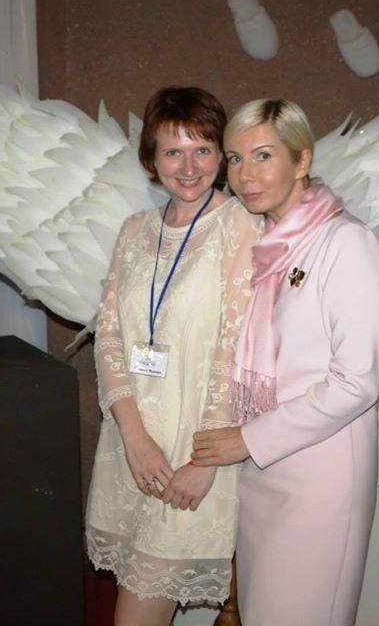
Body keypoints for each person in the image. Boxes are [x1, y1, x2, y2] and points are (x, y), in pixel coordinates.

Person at [191, 99, 379, 626]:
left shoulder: (347, 242)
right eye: (235, 159)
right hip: (262, 470)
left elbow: (357, 383)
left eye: (263, 156)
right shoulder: (266, 244)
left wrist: (248, 440)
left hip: (319, 477)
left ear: (302, 161)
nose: (245, 175)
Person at [86, 86, 262, 626]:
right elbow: (108, 336)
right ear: (151, 158)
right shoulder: (134, 230)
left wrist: (205, 462)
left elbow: (238, 350)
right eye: (173, 151)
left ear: (222, 155)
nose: (189, 167)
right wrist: (133, 436)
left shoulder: (241, 225)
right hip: (131, 449)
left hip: (193, 455)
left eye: (202, 149)